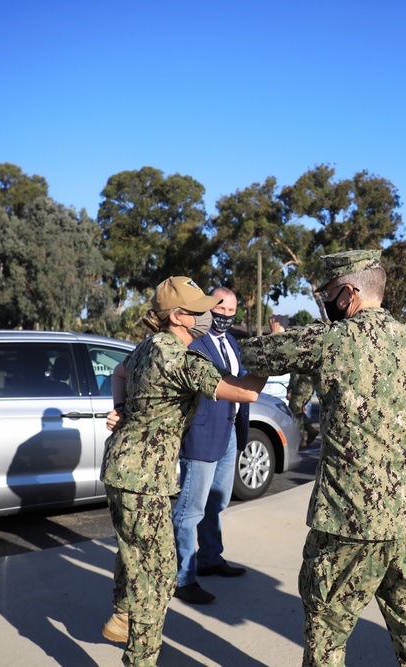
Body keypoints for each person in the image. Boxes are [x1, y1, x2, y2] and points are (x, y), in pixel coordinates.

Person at [240, 250, 406, 667]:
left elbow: (254, 355)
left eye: (328, 293)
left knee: (327, 641)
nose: (326, 302)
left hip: (348, 526)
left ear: (348, 294)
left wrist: (274, 333)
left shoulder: (332, 340)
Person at [99, 276, 266, 667]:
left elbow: (118, 374)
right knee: (157, 574)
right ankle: (140, 657)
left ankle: (122, 616)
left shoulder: (146, 348)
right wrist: (272, 360)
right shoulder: (180, 358)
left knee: (133, 555)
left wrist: (123, 408)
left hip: (122, 468)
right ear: (178, 317)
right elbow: (247, 393)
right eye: (200, 311)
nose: (208, 316)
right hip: (144, 477)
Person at [172, 286, 250, 605]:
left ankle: (209, 558)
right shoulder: (195, 341)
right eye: (220, 309)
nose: (225, 316)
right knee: (190, 510)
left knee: (216, 503)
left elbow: (240, 382)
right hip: (202, 436)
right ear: (208, 308)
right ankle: (182, 577)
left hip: (228, 432)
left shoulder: (231, 342)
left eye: (231, 311)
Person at [287, 371, 318, 449]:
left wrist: (290, 390)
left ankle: (301, 439)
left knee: (296, 413)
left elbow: (295, 376)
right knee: (298, 412)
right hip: (308, 389)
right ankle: (310, 430)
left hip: (299, 390)